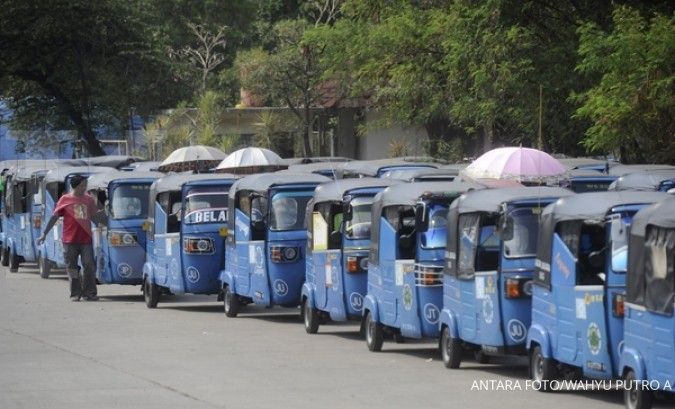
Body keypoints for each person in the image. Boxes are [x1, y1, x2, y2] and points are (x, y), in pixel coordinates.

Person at [37, 175, 102, 301]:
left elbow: (95, 218)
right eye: (82, 185)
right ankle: (75, 293)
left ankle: (90, 293)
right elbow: (54, 217)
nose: (84, 188)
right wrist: (44, 233)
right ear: (75, 186)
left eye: (85, 185)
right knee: (72, 268)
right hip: (69, 240)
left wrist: (106, 222)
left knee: (89, 266)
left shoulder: (88, 200)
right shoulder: (64, 199)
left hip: (86, 240)